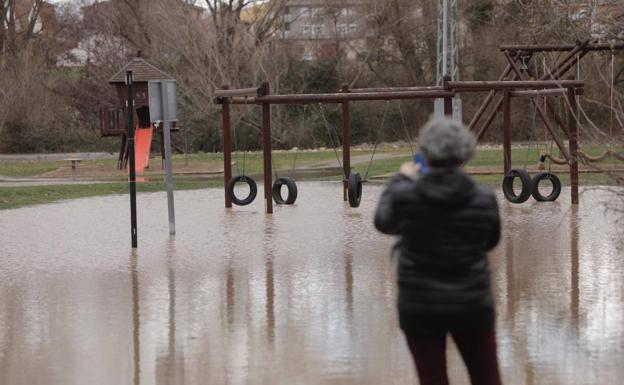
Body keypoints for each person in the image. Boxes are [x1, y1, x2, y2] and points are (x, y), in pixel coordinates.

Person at [374, 117, 502, 385]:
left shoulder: (404, 195)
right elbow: (490, 242)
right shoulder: (484, 198)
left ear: (426, 153)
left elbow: (382, 221)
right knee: (487, 379)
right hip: (472, 303)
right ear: (465, 153)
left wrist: (402, 176)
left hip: (419, 306)